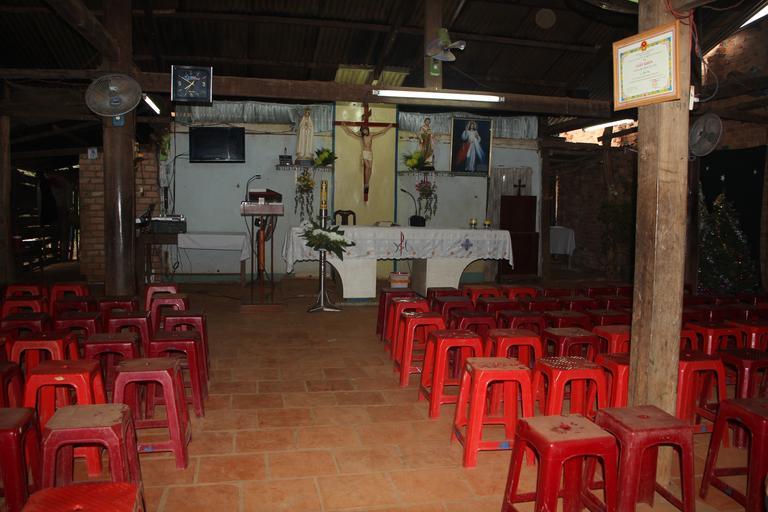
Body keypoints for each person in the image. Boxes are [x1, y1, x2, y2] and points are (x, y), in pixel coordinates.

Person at [341, 123, 393, 202]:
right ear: (361, 131)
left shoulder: (371, 134)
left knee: (370, 169)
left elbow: (382, 132)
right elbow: (351, 132)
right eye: (363, 131)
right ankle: (366, 184)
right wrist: (344, 126)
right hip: (365, 153)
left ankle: (367, 184)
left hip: (370, 153)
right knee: (367, 167)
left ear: (367, 129)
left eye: (365, 130)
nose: (364, 132)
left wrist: (389, 127)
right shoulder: (361, 136)